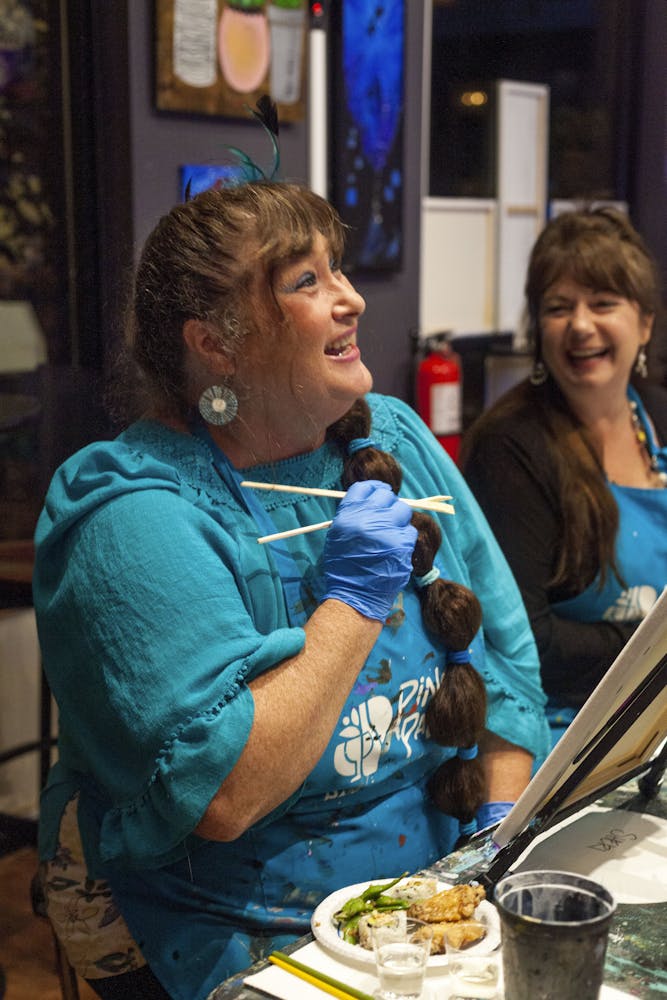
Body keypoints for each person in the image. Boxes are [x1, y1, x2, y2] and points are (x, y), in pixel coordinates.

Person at [33, 179, 549, 1000]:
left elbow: (511, 660)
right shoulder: (131, 516)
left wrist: (494, 830)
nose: (348, 299)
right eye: (304, 282)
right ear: (216, 345)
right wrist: (351, 601)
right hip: (247, 936)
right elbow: (226, 793)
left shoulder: (396, 436)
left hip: (440, 902)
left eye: (335, 269)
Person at [461, 206, 667, 747]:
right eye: (558, 307)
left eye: (603, 303)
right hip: (559, 732)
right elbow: (529, 645)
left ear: (644, 322)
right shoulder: (510, 446)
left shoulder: (659, 415)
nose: (580, 325)